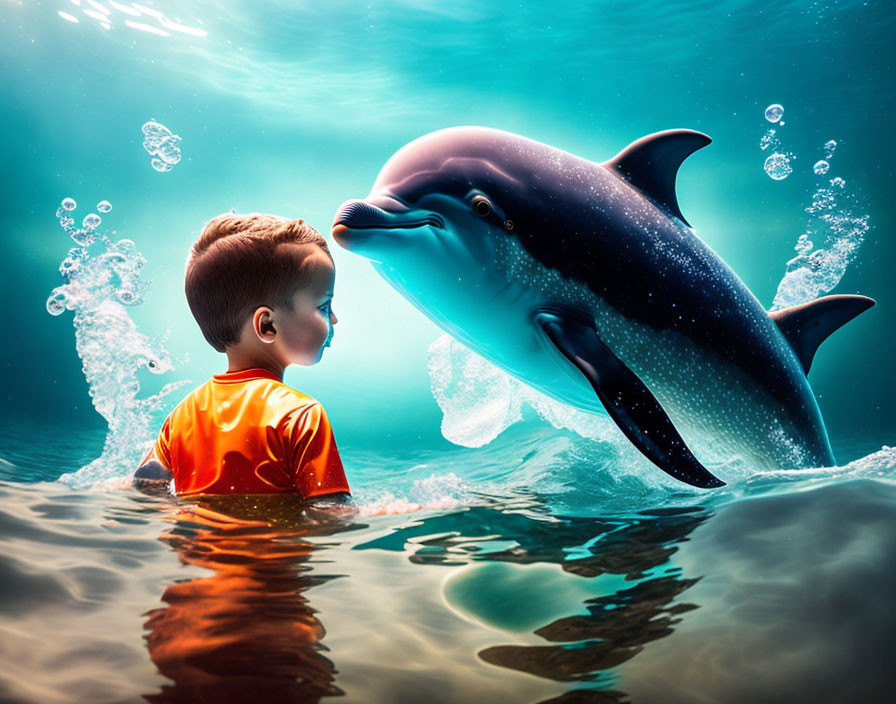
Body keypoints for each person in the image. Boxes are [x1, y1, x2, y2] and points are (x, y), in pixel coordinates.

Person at [132, 213, 351, 512]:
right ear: (267, 326)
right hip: (271, 558)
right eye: (323, 305)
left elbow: (145, 487)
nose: (334, 318)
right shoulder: (300, 416)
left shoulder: (183, 415)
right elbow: (331, 513)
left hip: (196, 556)